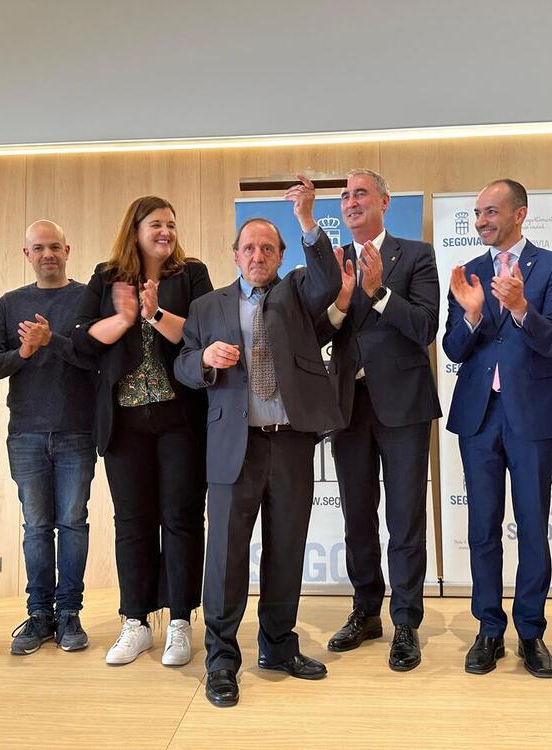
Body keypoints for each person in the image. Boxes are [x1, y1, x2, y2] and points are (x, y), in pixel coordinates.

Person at [175, 175, 343, 708]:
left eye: (268, 248)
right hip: (233, 445)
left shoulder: (298, 293)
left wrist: (307, 219)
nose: (258, 255)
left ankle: (277, 645)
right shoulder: (208, 306)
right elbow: (182, 363)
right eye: (249, 247)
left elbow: (328, 275)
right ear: (234, 255)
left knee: (286, 548)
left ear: (280, 254)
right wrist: (202, 359)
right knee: (224, 556)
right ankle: (222, 660)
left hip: (290, 442)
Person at [442, 179, 552, 679]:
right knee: (483, 527)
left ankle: (532, 632)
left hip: (533, 413)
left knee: (533, 525)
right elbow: (453, 348)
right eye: (477, 213)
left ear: (520, 214)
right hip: (479, 415)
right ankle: (488, 629)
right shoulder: (468, 272)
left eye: (491, 211)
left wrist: (520, 307)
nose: (481, 221)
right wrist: (473, 316)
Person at [73, 196, 212, 667]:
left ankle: (178, 621)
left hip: (179, 418)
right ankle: (135, 621)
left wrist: (153, 314)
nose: (166, 232)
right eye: (156, 224)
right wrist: (123, 319)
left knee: (181, 517)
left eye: (171, 224)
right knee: (132, 521)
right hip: (124, 420)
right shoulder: (106, 275)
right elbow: (81, 339)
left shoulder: (190, 273)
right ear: (134, 229)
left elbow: (199, 336)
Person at [319, 169, 441, 672]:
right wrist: (345, 299)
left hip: (404, 405)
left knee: (405, 518)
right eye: (345, 196)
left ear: (385, 202)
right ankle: (367, 611)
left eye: (360, 193)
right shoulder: (332, 261)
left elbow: (425, 327)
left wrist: (380, 291)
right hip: (349, 405)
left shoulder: (415, 255)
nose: (351, 202)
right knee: (357, 516)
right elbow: (319, 327)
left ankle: (406, 622)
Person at [0, 220, 97, 655]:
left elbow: (97, 361)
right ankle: (38, 615)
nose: (47, 254)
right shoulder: (12, 303)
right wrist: (26, 352)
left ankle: (69, 614)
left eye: (54, 247)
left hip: (76, 430)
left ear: (68, 250)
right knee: (36, 527)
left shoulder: (88, 298)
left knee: (72, 523)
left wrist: (54, 342)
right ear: (25, 254)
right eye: (38, 248)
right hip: (26, 432)